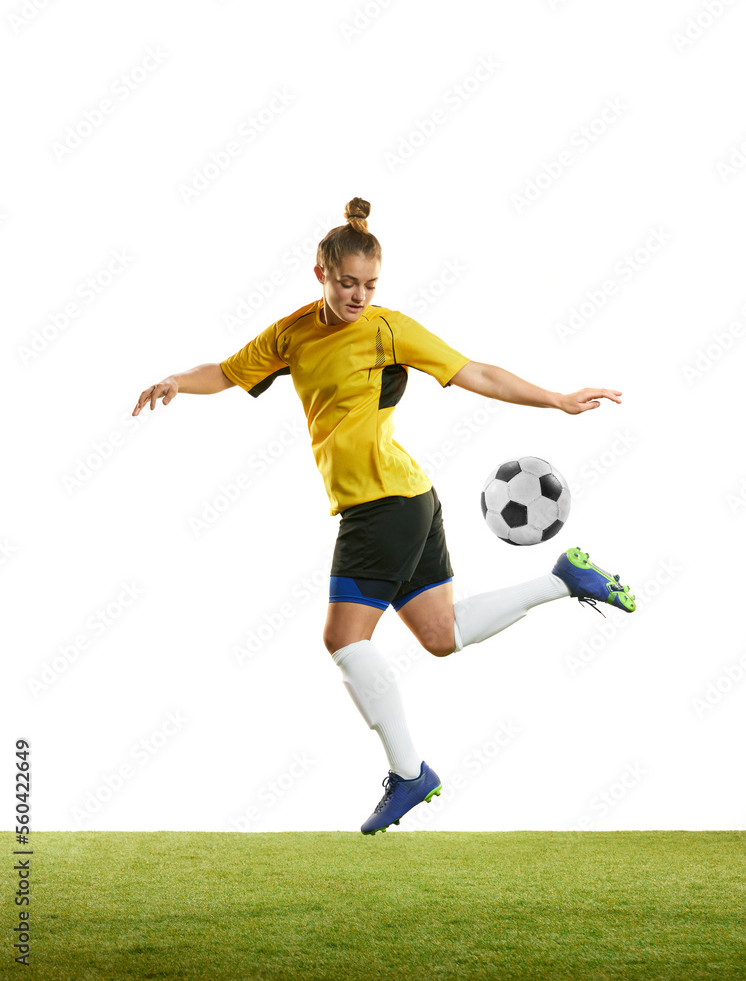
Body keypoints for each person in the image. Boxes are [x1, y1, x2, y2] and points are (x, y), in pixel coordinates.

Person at [132, 196, 635, 836]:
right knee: (441, 635)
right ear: (321, 272)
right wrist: (176, 380)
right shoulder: (293, 333)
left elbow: (473, 369)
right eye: (348, 283)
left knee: (343, 639)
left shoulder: (389, 329)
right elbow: (228, 372)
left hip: (383, 505)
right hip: (406, 499)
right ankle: (565, 579)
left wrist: (557, 399)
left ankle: (409, 774)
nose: (359, 295)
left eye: (370, 284)